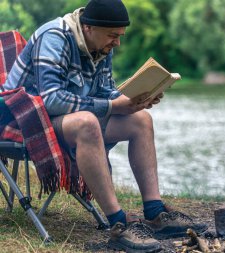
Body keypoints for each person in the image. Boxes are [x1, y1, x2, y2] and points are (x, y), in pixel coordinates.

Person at [4, 0, 206, 252]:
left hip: (60, 119)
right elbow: (51, 99)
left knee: (140, 120)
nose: (117, 43)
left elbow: (105, 92)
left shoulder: (101, 46)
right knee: (87, 123)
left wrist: (136, 100)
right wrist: (113, 107)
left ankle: (155, 212)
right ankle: (118, 224)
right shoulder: (54, 36)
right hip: (26, 120)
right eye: (113, 36)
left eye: (120, 36)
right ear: (88, 27)